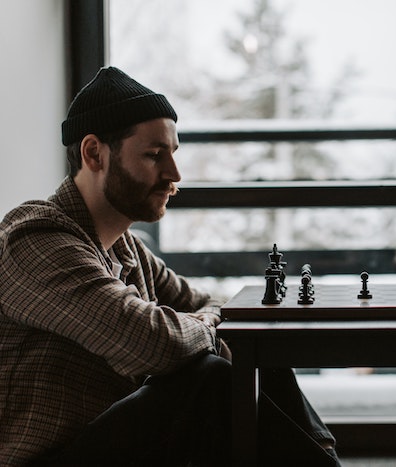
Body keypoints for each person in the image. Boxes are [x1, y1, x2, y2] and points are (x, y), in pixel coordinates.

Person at [0, 66, 340, 466]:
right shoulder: (35, 240)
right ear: (94, 153)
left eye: (173, 154)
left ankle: (323, 458)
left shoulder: (126, 248)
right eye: (153, 156)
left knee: (251, 346)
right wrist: (208, 325)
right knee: (209, 380)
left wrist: (210, 322)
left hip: (114, 444)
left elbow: (215, 307)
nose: (174, 175)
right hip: (45, 460)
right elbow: (155, 345)